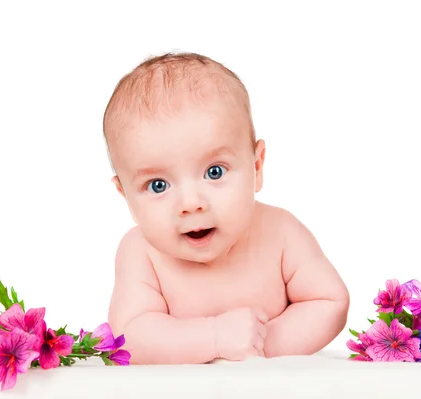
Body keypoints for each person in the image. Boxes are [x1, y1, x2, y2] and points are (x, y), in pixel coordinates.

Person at [103, 52, 349, 365]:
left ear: (256, 166)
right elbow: (129, 338)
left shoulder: (281, 232)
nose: (191, 204)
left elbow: (329, 301)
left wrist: (261, 343)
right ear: (125, 195)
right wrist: (215, 338)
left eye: (214, 172)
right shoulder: (141, 252)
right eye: (158, 185)